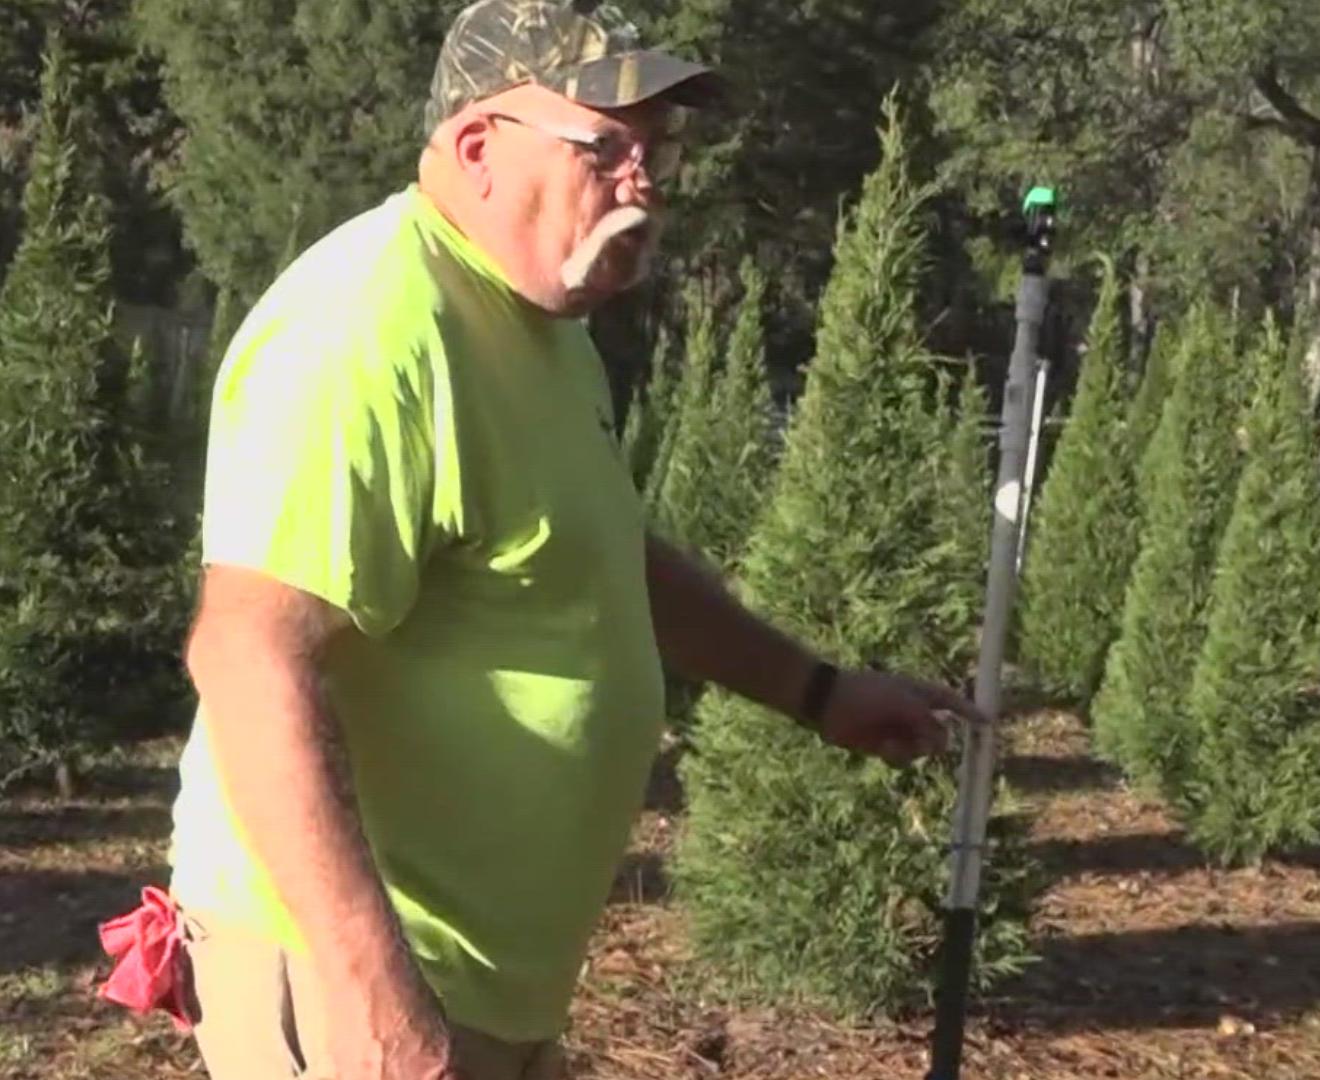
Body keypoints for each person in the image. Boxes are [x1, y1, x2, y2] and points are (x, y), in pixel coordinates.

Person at [149, 2, 968, 1077]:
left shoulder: (538, 327)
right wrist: (373, 994)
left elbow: (603, 558)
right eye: (607, 147)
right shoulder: (369, 333)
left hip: (479, 983)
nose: (646, 181)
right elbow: (248, 657)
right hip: (351, 978)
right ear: (480, 148)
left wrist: (816, 692)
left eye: (659, 149)